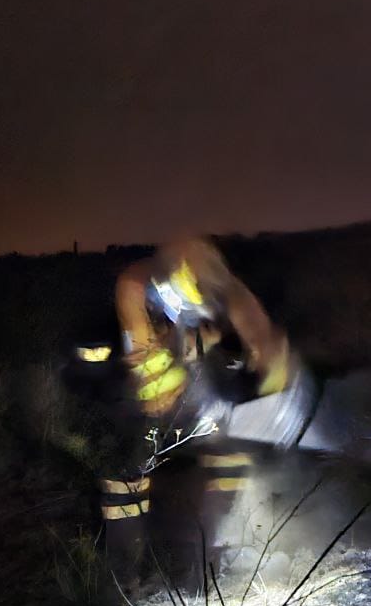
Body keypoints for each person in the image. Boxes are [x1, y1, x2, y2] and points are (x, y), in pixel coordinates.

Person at [98, 237, 301, 585]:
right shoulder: (136, 283)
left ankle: (214, 559)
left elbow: (255, 326)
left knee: (229, 452)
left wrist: (273, 366)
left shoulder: (223, 288)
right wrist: (162, 374)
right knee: (127, 476)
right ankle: (124, 578)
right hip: (136, 392)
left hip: (195, 385)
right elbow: (147, 367)